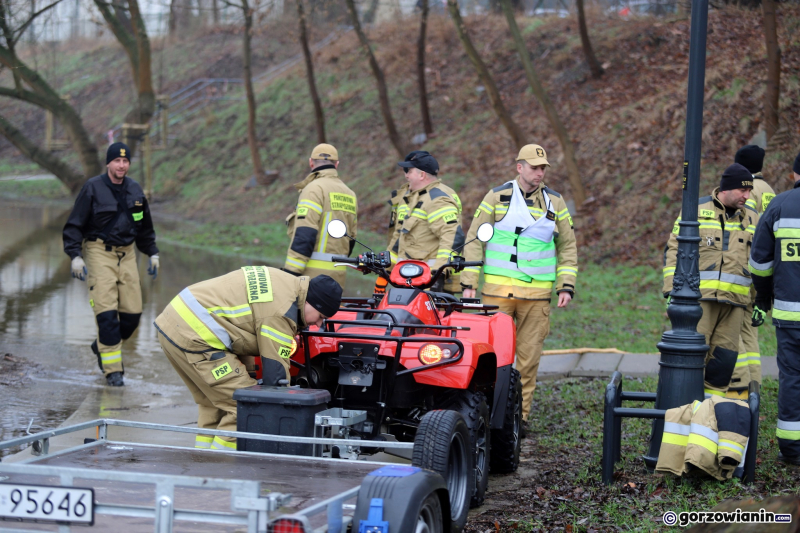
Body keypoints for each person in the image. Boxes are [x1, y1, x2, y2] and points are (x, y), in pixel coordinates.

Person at [154, 269, 342, 451]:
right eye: (320, 317)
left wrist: (250, 376)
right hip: (196, 337)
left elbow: (241, 330)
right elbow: (276, 374)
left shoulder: (285, 283)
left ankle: (202, 461)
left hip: (173, 323)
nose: (318, 324)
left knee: (214, 404)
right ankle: (221, 470)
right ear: (312, 303)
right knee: (245, 406)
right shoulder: (282, 312)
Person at [461, 144, 578, 423]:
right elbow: (475, 239)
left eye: (543, 168)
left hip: (536, 296)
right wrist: (469, 282)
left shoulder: (555, 202)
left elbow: (568, 247)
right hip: (497, 293)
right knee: (491, 359)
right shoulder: (497, 196)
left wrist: (566, 284)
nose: (540, 173)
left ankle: (518, 419)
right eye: (535, 167)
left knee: (528, 360)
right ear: (519, 167)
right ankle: (484, 414)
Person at [63, 142, 159, 387]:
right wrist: (75, 255)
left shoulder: (136, 191)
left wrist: (153, 253)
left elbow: (144, 228)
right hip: (98, 252)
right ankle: (113, 372)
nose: (122, 165)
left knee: (133, 316)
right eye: (117, 161)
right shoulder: (92, 188)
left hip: (127, 255)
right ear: (108, 163)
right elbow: (74, 225)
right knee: (107, 316)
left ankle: (101, 346)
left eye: (125, 161)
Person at [663, 163, 759, 398]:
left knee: (723, 362)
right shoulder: (695, 210)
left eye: (749, 191)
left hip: (734, 304)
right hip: (699, 301)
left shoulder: (753, 219)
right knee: (693, 358)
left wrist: (760, 301)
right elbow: (673, 250)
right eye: (742, 191)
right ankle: (684, 408)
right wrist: (671, 293)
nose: (747, 196)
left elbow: (760, 261)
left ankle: (710, 413)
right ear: (726, 189)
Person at [748, 152, 800, 466]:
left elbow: (760, 263)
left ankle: (792, 449)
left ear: (795, 174)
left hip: (790, 316)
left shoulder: (779, 206)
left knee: (792, 377)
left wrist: (764, 298)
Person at [728, 145, 776, 398]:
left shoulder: (746, 191)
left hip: (745, 266)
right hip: (764, 268)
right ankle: (754, 390)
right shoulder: (769, 190)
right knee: (752, 336)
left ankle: (742, 390)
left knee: (737, 331)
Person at [386, 150, 464, 292]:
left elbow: (452, 237)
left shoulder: (437, 199)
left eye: (409, 171)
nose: (406, 175)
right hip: (408, 280)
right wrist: (385, 267)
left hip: (428, 285)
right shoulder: (413, 197)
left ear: (422, 175)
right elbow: (400, 239)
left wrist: (438, 274)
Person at [283, 144, 358, 288]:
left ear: (311, 162)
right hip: (338, 278)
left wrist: (291, 273)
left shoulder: (313, 189)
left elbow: (305, 234)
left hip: (311, 279)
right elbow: (351, 239)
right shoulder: (350, 194)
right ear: (337, 164)